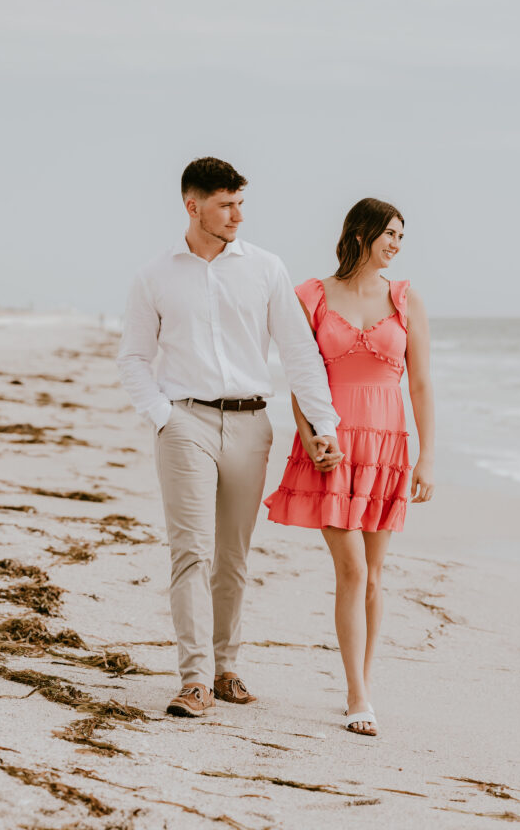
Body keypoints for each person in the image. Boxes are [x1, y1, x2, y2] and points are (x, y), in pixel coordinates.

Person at [117, 157, 342, 718]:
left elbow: (299, 354)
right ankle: (193, 679)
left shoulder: (266, 269)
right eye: (226, 204)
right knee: (190, 551)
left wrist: (324, 425)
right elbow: (134, 359)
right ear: (193, 207)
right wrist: (162, 415)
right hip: (184, 422)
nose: (238, 214)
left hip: (250, 424)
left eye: (241, 202)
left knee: (233, 556)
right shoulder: (154, 276)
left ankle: (225, 668)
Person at [264, 197, 435, 736]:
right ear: (361, 232)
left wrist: (427, 458)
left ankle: (361, 682)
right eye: (390, 234)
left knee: (375, 575)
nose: (396, 245)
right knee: (352, 570)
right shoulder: (312, 296)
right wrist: (314, 437)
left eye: (402, 238)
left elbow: (422, 385)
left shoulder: (406, 300)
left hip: (387, 447)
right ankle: (357, 694)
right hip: (333, 447)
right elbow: (301, 376)